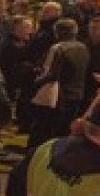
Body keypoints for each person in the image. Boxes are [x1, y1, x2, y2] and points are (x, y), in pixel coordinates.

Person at [27, 17, 90, 148]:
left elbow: (51, 74)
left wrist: (35, 81)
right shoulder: (83, 47)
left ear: (58, 32)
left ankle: (34, 156)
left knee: (43, 130)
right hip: (76, 94)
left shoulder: (57, 48)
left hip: (56, 97)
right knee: (63, 131)